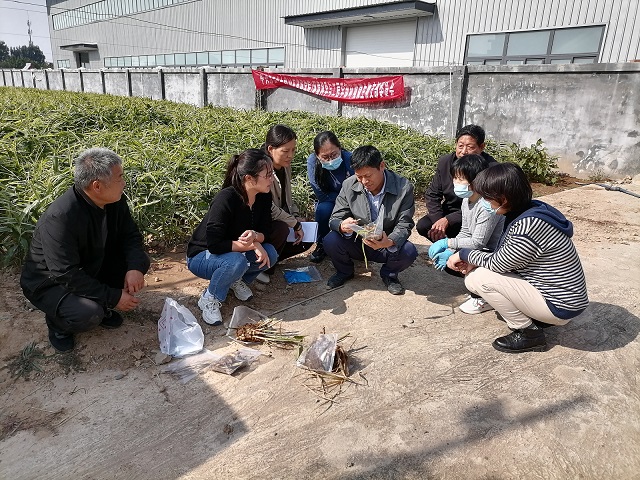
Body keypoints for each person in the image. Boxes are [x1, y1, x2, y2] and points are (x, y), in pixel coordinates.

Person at [447, 162, 589, 353]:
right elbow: (508, 257)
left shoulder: (527, 226)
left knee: (478, 278)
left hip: (560, 304)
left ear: (504, 198)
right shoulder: (530, 210)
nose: (484, 202)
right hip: (558, 293)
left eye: (487, 198)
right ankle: (537, 317)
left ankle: (528, 333)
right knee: (478, 272)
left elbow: (498, 263)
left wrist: (465, 254)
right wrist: (474, 259)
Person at [20, 148, 151, 352]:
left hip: (90, 264)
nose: (124, 183)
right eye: (119, 178)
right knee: (88, 314)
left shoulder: (113, 200)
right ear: (97, 186)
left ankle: (102, 305)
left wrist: (135, 267)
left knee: (139, 260)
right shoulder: (60, 217)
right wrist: (114, 297)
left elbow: (130, 235)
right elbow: (65, 273)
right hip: (51, 281)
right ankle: (58, 324)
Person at [186, 149, 278, 326]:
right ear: (249, 178)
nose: (271, 179)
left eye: (271, 174)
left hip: (232, 251)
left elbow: (266, 231)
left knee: (270, 254)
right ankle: (210, 298)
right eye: (267, 175)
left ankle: (235, 280)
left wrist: (255, 236)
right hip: (201, 255)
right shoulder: (226, 198)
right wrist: (253, 245)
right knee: (236, 262)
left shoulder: (264, 196)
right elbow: (215, 245)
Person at [324, 145, 418, 295]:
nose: (364, 181)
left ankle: (389, 275)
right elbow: (335, 218)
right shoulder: (349, 185)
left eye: (368, 175)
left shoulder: (403, 187)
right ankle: (344, 271)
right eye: (359, 176)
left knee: (409, 251)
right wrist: (342, 225)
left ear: (382, 166)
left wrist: (389, 241)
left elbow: (404, 224)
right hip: (358, 241)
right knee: (330, 240)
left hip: (385, 242)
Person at [427, 154, 505, 314]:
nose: (455, 182)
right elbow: (466, 231)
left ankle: (485, 297)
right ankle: (479, 290)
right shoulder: (466, 200)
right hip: (482, 249)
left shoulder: (486, 206)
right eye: (455, 178)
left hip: (496, 253)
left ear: (475, 181)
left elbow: (478, 242)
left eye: (460, 179)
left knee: (461, 259)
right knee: (451, 261)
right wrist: (449, 250)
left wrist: (447, 243)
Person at [417, 124, 497, 242]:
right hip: (450, 210)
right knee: (424, 225)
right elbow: (432, 194)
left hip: (477, 212)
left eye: (470, 147)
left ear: (481, 147)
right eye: (460, 146)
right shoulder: (445, 162)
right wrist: (439, 221)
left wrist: (449, 220)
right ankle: (447, 246)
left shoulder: (491, 169)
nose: (463, 152)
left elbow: (489, 203)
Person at [261, 124, 310, 281]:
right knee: (282, 229)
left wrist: (295, 216)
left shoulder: (285, 166)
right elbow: (268, 208)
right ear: (270, 149)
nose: (290, 155)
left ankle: (272, 259)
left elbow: (288, 197)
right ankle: (260, 267)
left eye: (293, 150)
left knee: (308, 236)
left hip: (279, 218)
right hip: (261, 223)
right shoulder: (261, 170)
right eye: (285, 151)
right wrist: (293, 223)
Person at [306, 131, 354, 263]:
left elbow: (358, 188)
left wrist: (346, 203)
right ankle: (321, 243)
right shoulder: (312, 162)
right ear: (317, 155)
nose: (331, 160)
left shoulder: (350, 160)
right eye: (325, 157)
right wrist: (340, 200)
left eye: (334, 154)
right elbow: (320, 194)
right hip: (329, 200)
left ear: (340, 148)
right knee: (323, 210)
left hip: (351, 200)